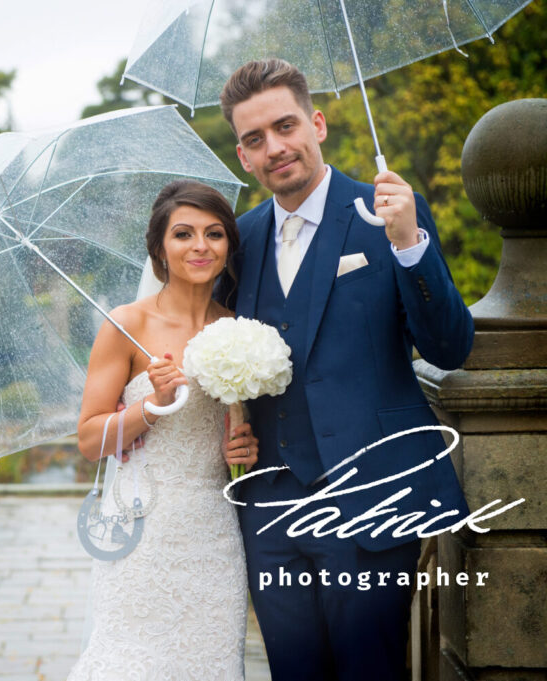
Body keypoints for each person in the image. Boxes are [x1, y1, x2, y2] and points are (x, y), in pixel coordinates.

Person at [218, 59, 473, 681]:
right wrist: (231, 420)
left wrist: (409, 242)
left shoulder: (387, 212)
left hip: (373, 502)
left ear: (318, 123)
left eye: (285, 126)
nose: (275, 147)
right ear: (243, 155)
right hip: (272, 509)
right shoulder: (239, 241)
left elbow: (449, 348)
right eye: (256, 139)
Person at [67, 180, 258, 681]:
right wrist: (151, 406)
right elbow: (89, 440)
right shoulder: (126, 325)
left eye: (214, 234)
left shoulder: (240, 332)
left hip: (214, 535)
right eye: (183, 234)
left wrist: (240, 446)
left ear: (228, 247)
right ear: (159, 248)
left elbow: (232, 442)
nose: (200, 246)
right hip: (141, 530)